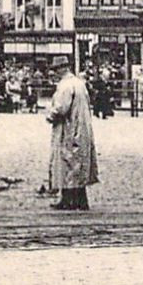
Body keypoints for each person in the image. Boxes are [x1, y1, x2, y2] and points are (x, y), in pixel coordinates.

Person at [46, 59, 98, 210]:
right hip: (82, 127)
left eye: (56, 69)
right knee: (78, 163)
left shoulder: (65, 85)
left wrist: (50, 115)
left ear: (62, 69)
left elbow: (61, 108)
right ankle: (81, 199)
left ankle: (68, 199)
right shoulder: (79, 83)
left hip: (69, 128)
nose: (54, 73)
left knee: (67, 162)